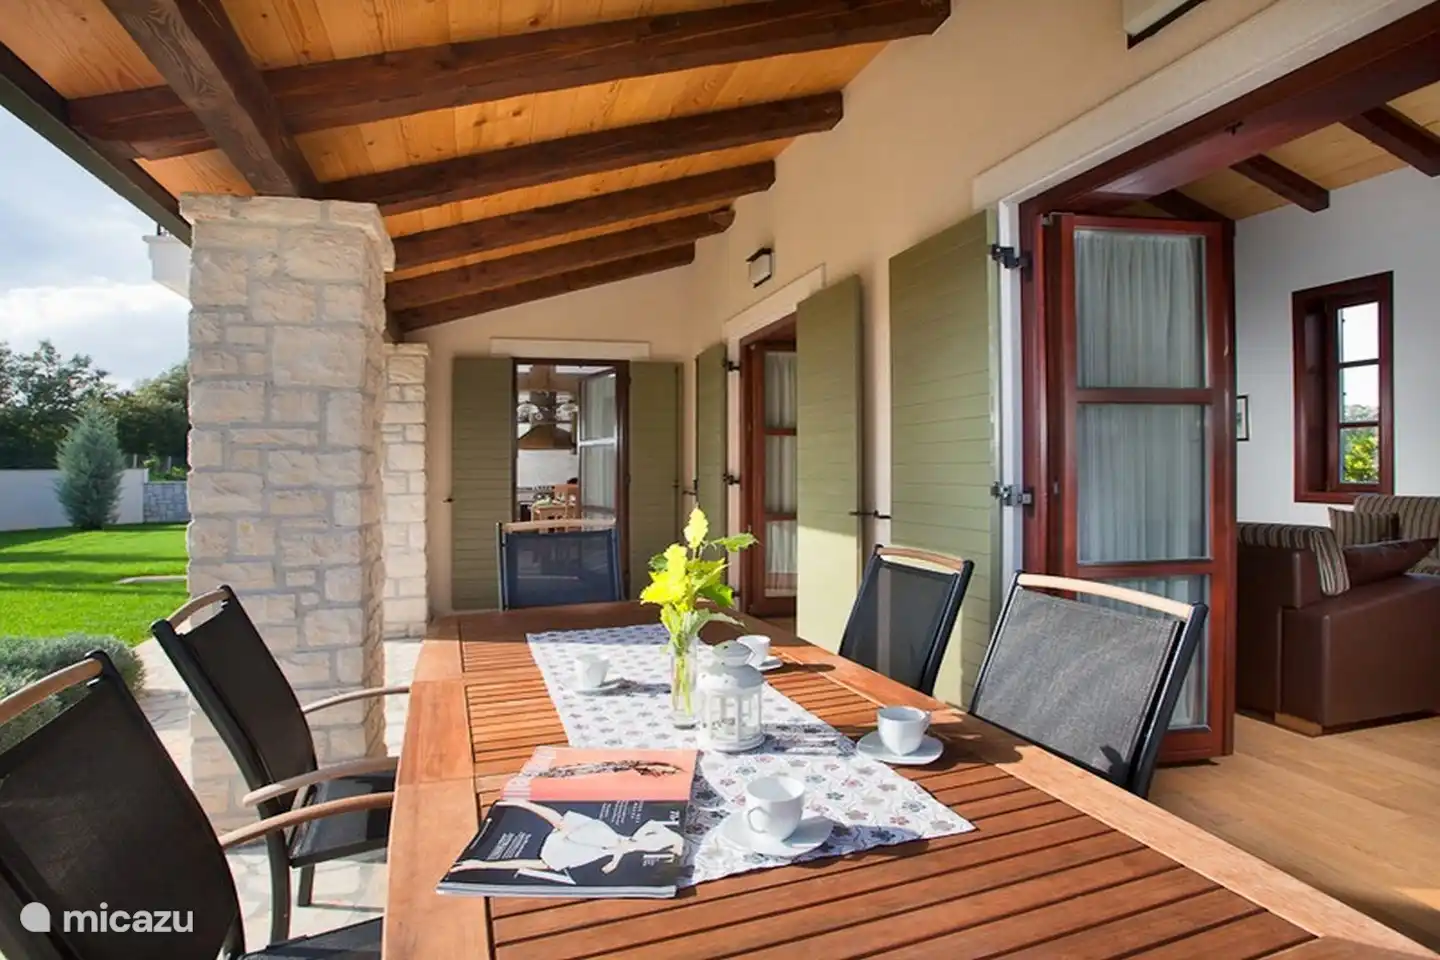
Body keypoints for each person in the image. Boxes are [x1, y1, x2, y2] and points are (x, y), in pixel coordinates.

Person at [453, 799, 685, 880]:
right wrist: (616, 858)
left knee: (549, 863)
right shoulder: (665, 837)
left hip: (604, 847)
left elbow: (626, 847)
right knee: (563, 825)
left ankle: (482, 864)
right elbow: (641, 832)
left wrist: (615, 859)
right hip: (608, 840)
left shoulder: (663, 846)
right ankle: (522, 804)